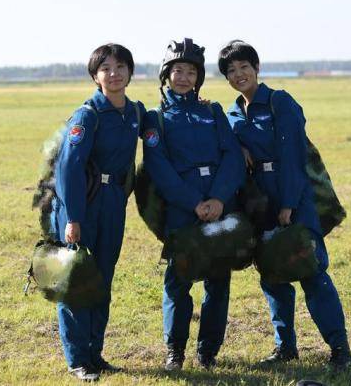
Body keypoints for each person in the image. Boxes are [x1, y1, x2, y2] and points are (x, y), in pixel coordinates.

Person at [218, 40, 351, 371]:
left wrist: (289, 204)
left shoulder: (280, 103)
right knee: (273, 276)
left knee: (312, 272)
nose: (239, 75)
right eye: (231, 71)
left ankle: (339, 349)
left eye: (244, 67)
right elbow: (226, 148)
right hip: (259, 204)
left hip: (293, 197)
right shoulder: (232, 113)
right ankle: (285, 346)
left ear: (257, 67)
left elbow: (294, 156)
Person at [142, 38, 245, 370]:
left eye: (190, 72)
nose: (183, 77)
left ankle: (209, 352)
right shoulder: (156, 118)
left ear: (198, 77)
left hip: (219, 206)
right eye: (177, 71)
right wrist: (193, 203)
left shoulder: (212, 111)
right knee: (178, 282)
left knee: (218, 281)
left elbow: (231, 156)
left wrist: (218, 198)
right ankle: (175, 351)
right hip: (182, 211)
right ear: (166, 75)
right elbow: (159, 167)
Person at [50, 43, 146, 381]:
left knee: (102, 279)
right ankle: (78, 360)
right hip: (83, 204)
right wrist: (73, 218)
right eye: (106, 68)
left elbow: (167, 125)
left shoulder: (135, 113)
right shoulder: (87, 115)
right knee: (77, 280)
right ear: (95, 76)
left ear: (130, 72)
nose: (114, 73)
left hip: (114, 204)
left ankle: (95, 353)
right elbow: (68, 169)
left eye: (121, 67)